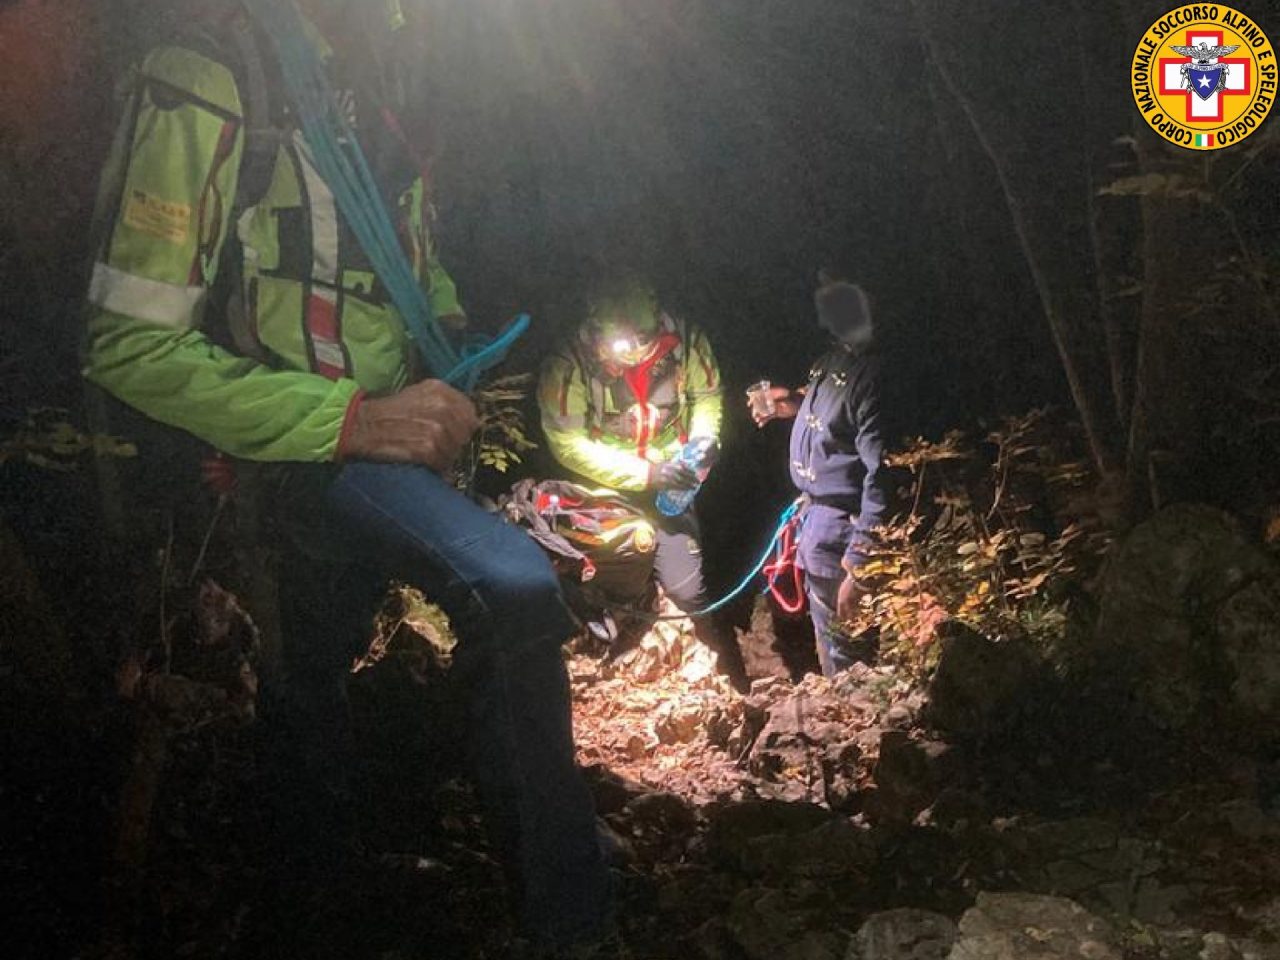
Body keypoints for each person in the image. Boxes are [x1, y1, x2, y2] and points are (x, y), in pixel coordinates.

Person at [81, 0, 611, 949]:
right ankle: (573, 928)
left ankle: (319, 902)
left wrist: (445, 350)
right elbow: (124, 342)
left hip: (384, 432)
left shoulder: (372, 64)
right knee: (516, 589)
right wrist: (355, 419)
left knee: (306, 680)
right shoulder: (208, 70)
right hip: (303, 445)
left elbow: (399, 248)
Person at [538, 278, 746, 686]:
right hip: (605, 490)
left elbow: (707, 395)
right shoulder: (568, 364)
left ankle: (724, 679)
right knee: (613, 579)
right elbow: (567, 443)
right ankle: (608, 662)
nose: (632, 354)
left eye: (642, 342)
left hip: (674, 485)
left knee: (688, 592)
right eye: (621, 345)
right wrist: (644, 474)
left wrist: (704, 440)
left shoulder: (686, 340)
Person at [752, 272, 895, 676]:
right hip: (816, 524)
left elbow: (883, 478)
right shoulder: (835, 357)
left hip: (843, 535)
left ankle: (859, 730)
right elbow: (838, 412)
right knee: (831, 646)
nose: (822, 317)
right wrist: (794, 403)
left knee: (850, 657)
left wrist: (861, 565)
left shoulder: (876, 376)